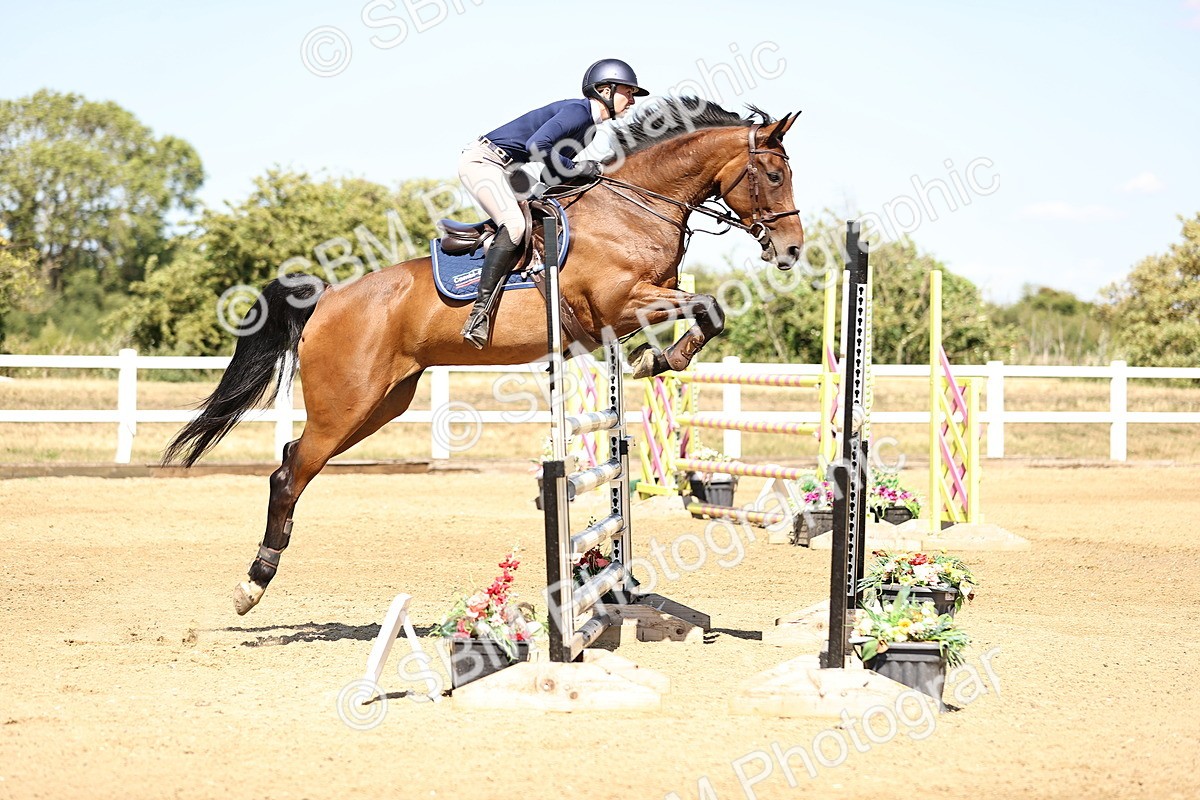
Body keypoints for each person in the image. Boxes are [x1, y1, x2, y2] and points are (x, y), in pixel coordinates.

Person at [457, 58, 650, 348]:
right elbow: (538, 145)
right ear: (605, 90)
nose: (633, 100)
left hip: (511, 169)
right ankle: (479, 314)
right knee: (514, 225)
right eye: (629, 91)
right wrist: (578, 167)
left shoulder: (590, 130)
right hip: (485, 161)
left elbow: (552, 173)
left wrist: (594, 177)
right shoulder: (577, 112)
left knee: (538, 214)